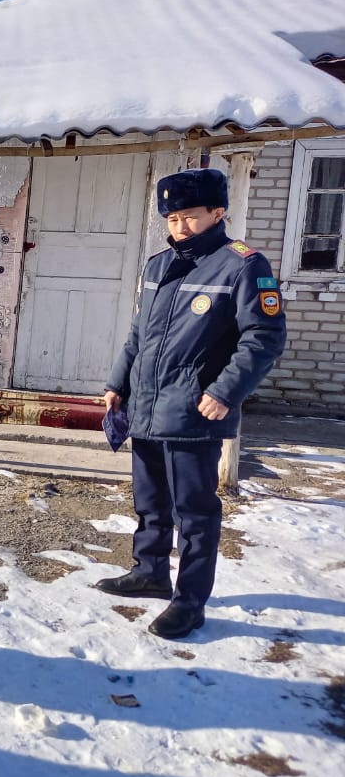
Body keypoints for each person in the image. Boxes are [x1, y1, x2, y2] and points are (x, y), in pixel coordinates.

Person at [100, 167, 286, 639]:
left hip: (195, 411)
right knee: (150, 502)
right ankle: (150, 572)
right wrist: (118, 383)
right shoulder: (159, 265)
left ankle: (190, 601)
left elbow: (263, 337)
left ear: (217, 213)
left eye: (189, 217)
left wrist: (225, 391)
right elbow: (139, 334)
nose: (179, 227)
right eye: (172, 218)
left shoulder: (242, 265)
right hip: (145, 407)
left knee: (195, 513)